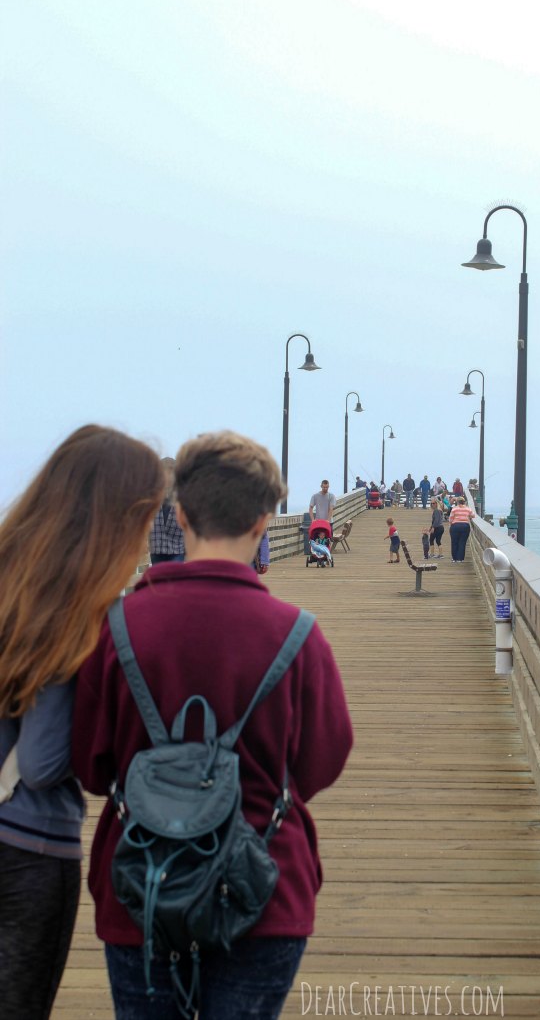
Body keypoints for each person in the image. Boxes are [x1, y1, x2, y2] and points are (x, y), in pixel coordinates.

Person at [72, 431, 353, 1020]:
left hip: (141, 889)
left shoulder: (118, 629)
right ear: (262, 522)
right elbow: (322, 760)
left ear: (178, 514)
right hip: (263, 890)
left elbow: (91, 767)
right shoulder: (297, 635)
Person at [0, 425, 163, 1020]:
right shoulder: (78, 608)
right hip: (29, 850)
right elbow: (42, 763)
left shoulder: (9, 570)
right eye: (144, 518)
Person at [148, 457, 185, 564]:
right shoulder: (152, 494)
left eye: (170, 472)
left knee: (175, 577)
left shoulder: (182, 494)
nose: (168, 476)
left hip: (177, 547)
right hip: (157, 546)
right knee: (158, 579)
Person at [448, 495, 475, 563]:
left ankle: (454, 558)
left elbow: (450, 519)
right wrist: (468, 516)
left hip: (455, 526)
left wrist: (451, 525)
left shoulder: (454, 509)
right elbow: (473, 515)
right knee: (462, 543)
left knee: (454, 542)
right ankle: (460, 559)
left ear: (457, 502)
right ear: (464, 502)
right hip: (465, 526)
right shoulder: (468, 509)